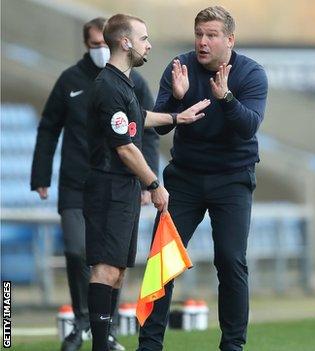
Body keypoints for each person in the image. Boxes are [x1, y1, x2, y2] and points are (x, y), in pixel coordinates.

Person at [137, 6, 268, 351]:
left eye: (211, 35)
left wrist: (225, 97)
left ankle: (233, 346)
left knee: (230, 260)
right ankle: (149, 345)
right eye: (199, 35)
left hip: (233, 179)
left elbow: (248, 126)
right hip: (185, 178)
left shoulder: (251, 74)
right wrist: (177, 101)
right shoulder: (179, 68)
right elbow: (159, 125)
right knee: (162, 261)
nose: (203, 42)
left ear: (229, 40)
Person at [30, 17, 160, 351]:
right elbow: (49, 127)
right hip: (79, 181)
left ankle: (104, 328)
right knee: (79, 252)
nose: (101, 49)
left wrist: (149, 180)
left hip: (119, 183)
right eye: (94, 44)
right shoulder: (71, 80)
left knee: (114, 263)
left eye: (104, 43)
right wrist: (40, 176)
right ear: (87, 44)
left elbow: (144, 131)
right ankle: (82, 323)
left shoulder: (133, 82)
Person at [84, 14, 209, 351]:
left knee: (118, 271)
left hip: (122, 188)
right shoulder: (108, 86)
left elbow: (138, 117)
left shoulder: (124, 82)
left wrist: (176, 116)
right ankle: (99, 345)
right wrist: (154, 184)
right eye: (143, 38)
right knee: (105, 269)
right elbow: (124, 147)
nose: (148, 44)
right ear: (125, 42)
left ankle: (104, 341)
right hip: (109, 186)